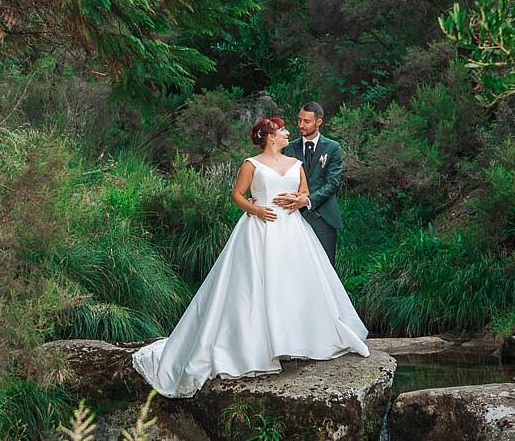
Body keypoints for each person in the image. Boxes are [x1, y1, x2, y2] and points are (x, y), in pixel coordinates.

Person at [132, 117, 369, 398]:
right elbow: (237, 195)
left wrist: (297, 199)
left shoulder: (296, 164)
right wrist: (254, 210)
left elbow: (305, 192)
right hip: (261, 230)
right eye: (282, 130)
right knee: (256, 286)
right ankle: (259, 345)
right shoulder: (251, 164)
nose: (288, 133)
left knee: (294, 284)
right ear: (270, 137)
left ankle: (295, 340)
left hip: (292, 231)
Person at [274, 102, 343, 266]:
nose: (301, 125)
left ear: (319, 122)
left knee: (325, 267)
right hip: (291, 217)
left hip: (323, 217)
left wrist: (307, 200)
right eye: (299, 120)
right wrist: (253, 197)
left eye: (306, 121)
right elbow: (272, 174)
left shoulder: (333, 148)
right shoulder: (288, 148)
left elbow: (333, 183)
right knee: (295, 266)